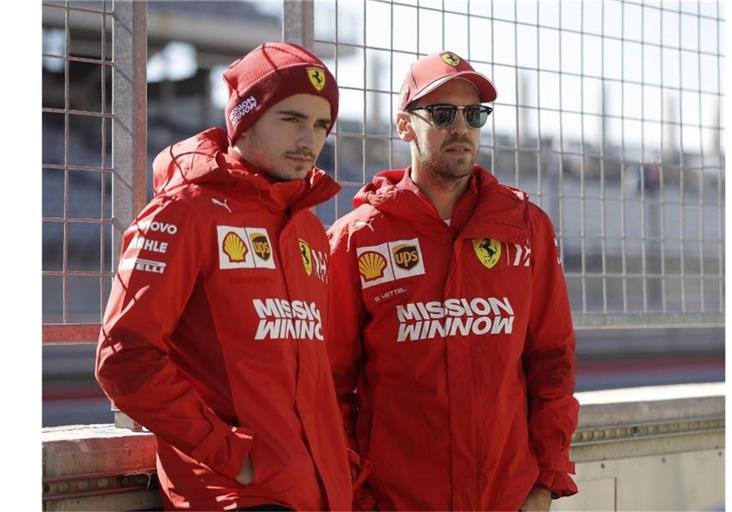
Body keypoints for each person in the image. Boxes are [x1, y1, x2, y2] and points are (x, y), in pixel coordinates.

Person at [95, 43, 360, 511]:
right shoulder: (184, 212)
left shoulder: (309, 229)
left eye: (321, 125)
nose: (310, 139)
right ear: (245, 117)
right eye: (292, 119)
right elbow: (124, 357)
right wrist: (229, 455)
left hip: (318, 494)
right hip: (236, 496)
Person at [326, 51, 579, 511]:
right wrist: (356, 496)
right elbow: (330, 386)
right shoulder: (357, 238)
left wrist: (544, 483)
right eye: (442, 114)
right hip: (396, 501)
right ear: (405, 126)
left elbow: (551, 364)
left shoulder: (526, 227)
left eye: (474, 114)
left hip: (507, 497)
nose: (461, 127)